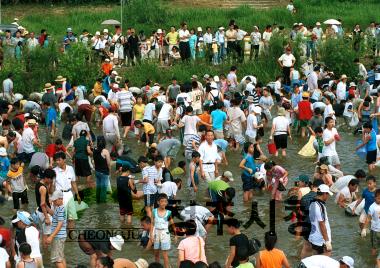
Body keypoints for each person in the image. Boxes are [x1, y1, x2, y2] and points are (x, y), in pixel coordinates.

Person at [53, 152, 80, 230]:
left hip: (69, 194)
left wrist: (77, 195)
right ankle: (62, 235)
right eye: (56, 160)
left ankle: (70, 237)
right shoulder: (54, 171)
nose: (57, 162)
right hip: (59, 196)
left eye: (59, 160)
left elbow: (73, 183)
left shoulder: (70, 168)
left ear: (64, 160)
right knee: (61, 219)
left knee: (72, 217)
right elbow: (52, 186)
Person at [151, 193, 176, 268]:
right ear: (158, 202)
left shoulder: (168, 213)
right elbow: (152, 223)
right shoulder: (154, 211)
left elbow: (172, 224)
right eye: (161, 201)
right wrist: (151, 235)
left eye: (165, 201)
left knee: (165, 254)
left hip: (165, 233)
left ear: (167, 202)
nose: (163, 203)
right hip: (156, 232)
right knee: (156, 253)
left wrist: (175, 235)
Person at [308, 184, 333, 256]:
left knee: (316, 259)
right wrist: (327, 241)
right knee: (326, 258)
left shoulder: (312, 203)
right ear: (324, 193)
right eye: (327, 194)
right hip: (321, 240)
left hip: (313, 238)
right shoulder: (320, 206)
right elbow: (322, 224)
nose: (328, 196)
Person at [45, 190, 66, 268]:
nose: (53, 202)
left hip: (58, 237)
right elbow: (53, 214)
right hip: (60, 236)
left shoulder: (61, 209)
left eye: (55, 200)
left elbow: (60, 224)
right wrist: (46, 207)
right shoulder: (59, 207)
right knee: (61, 257)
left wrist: (51, 236)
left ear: (61, 199)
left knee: (57, 260)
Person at [361, 188, 380, 267]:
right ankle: (372, 261)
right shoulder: (372, 207)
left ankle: (378, 261)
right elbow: (368, 218)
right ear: (375, 198)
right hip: (375, 231)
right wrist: (364, 229)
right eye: (379, 198)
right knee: (374, 247)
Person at [94, 136, 111, 203]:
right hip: (104, 173)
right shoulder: (105, 151)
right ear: (104, 142)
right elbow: (108, 163)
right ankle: (102, 205)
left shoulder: (95, 149)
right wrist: (110, 172)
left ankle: (97, 201)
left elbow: (94, 160)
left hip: (97, 171)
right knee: (103, 189)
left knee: (98, 187)